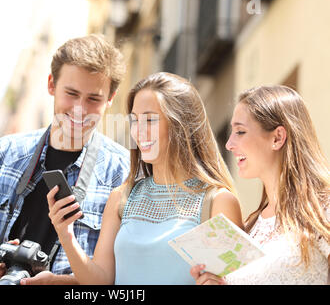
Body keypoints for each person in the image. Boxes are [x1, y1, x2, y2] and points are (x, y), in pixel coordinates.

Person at [0, 34, 130, 284]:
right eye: (71, 93)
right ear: (51, 85)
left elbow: (119, 274)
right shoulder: (5, 152)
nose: (80, 109)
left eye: (94, 99)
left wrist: (58, 283)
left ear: (110, 99)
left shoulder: (122, 170)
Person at [47, 72, 243, 284]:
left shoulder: (218, 202)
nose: (139, 131)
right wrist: (66, 235)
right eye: (134, 121)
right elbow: (101, 281)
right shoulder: (121, 198)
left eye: (150, 120)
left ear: (181, 125)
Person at [191, 85, 330, 285]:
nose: (229, 144)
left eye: (240, 131)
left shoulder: (323, 208)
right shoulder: (251, 226)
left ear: (277, 137)